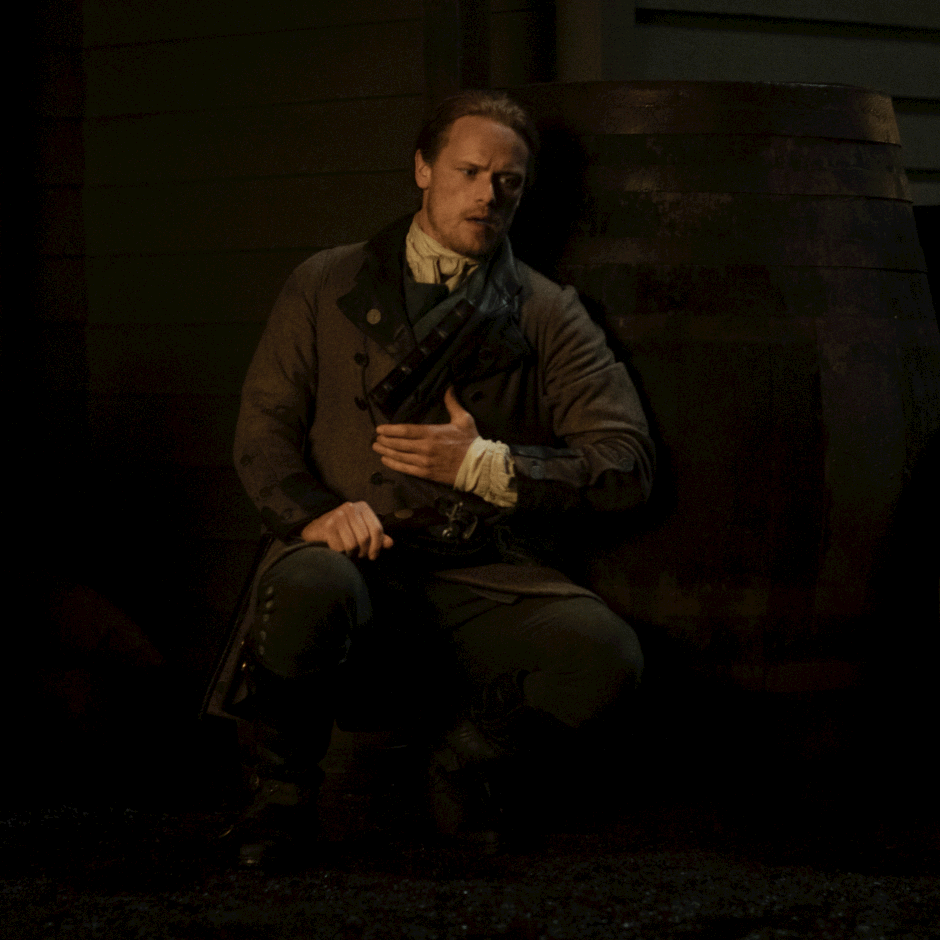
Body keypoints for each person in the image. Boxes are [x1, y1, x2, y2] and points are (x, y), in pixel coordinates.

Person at [207, 89, 653, 867]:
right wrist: (316, 514)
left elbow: (626, 464)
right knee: (306, 582)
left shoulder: (549, 311)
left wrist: (486, 465)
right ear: (422, 168)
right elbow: (263, 431)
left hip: (475, 566)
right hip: (351, 552)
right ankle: (277, 800)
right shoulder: (324, 282)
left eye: (507, 181)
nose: (487, 194)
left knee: (605, 654)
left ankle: (464, 763)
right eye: (468, 171)